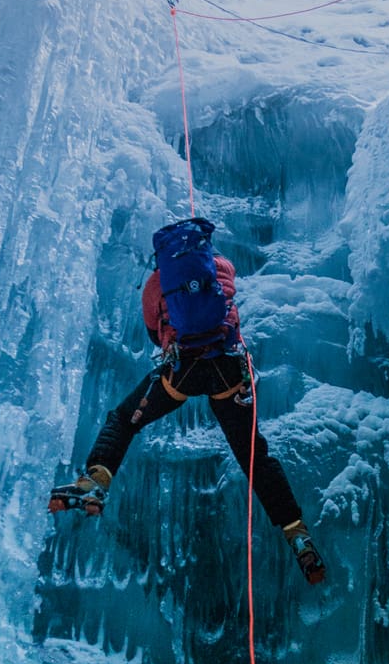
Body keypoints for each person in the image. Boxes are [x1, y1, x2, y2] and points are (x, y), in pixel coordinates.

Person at [49, 218, 326, 586]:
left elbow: (153, 332)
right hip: (229, 372)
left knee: (124, 419)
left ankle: (95, 480)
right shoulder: (220, 267)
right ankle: (297, 535)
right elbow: (227, 295)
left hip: (181, 373)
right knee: (255, 458)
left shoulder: (155, 284)